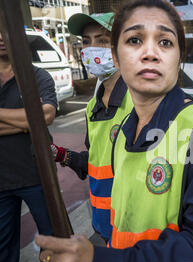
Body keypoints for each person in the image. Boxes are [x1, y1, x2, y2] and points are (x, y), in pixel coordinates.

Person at [36, 0, 193, 262]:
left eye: (165, 42)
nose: (150, 53)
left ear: (179, 58)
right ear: (116, 58)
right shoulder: (123, 132)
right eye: (134, 40)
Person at [51, 12, 133, 244]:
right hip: (104, 223)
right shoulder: (92, 107)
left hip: (135, 229)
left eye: (102, 40)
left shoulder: (140, 102)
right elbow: (97, 160)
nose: (92, 48)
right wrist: (62, 155)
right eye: (86, 41)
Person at [0, 31, 57, 262]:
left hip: (38, 176)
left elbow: (44, 115)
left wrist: (31, 121)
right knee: (2, 250)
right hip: (1, 182)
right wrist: (24, 122)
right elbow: (33, 118)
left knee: (52, 242)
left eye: (5, 30)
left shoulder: (37, 76)